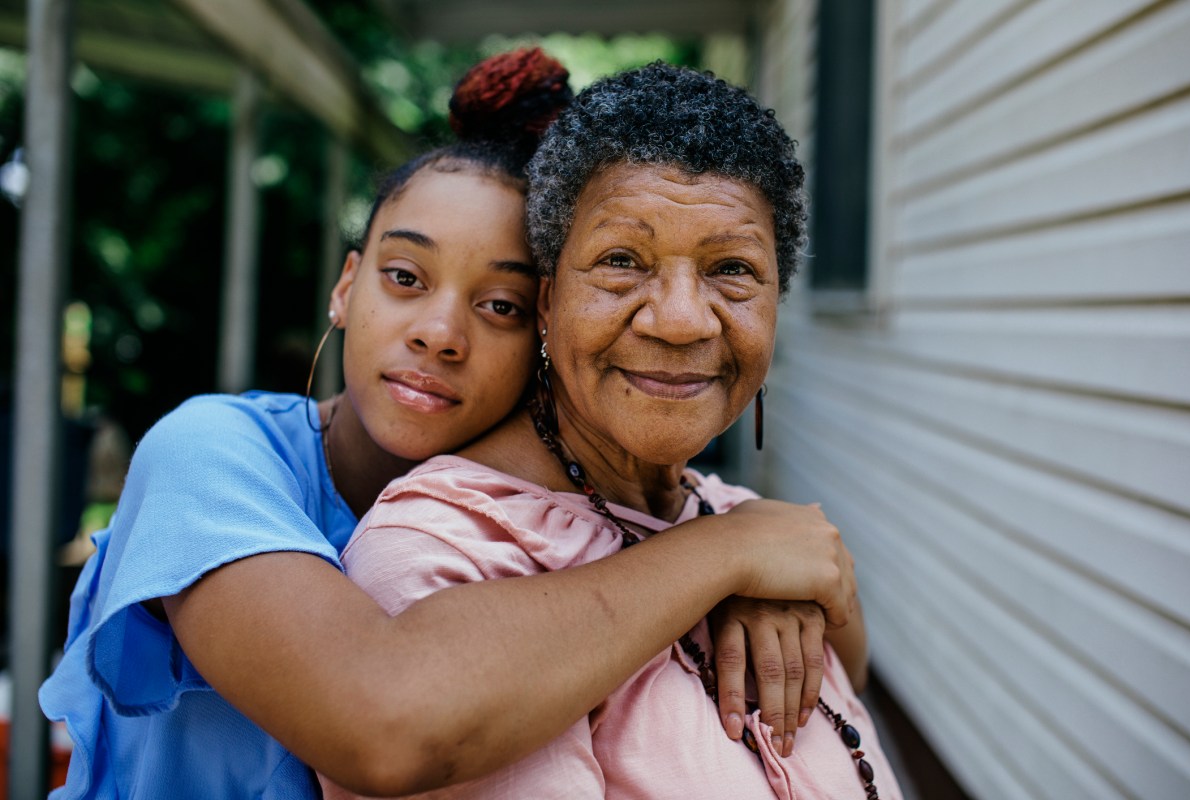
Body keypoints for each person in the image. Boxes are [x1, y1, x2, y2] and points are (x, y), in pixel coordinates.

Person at [40, 51, 860, 799]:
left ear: (545, 327)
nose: (440, 331)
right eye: (404, 276)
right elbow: (381, 719)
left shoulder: (568, 512)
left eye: (498, 305)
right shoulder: (214, 454)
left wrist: (762, 582)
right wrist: (729, 551)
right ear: (345, 286)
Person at [321, 62, 897, 800]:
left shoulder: (742, 522)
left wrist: (771, 567)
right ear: (548, 304)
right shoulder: (444, 554)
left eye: (732, 269)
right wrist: (728, 555)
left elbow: (853, 667)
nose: (683, 318)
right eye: (622, 261)